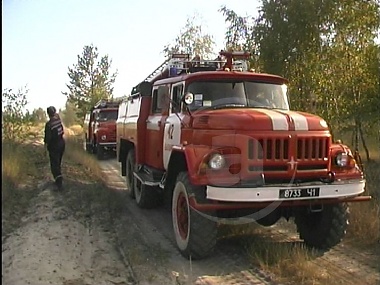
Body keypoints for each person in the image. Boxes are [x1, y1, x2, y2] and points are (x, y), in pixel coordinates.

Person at [44, 106, 65, 190]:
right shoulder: (58, 122)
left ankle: (59, 184)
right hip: (62, 144)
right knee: (58, 163)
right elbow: (62, 131)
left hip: (54, 146)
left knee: (54, 165)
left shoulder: (49, 124)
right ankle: (58, 180)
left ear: (48, 114)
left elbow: (47, 138)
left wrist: (45, 148)